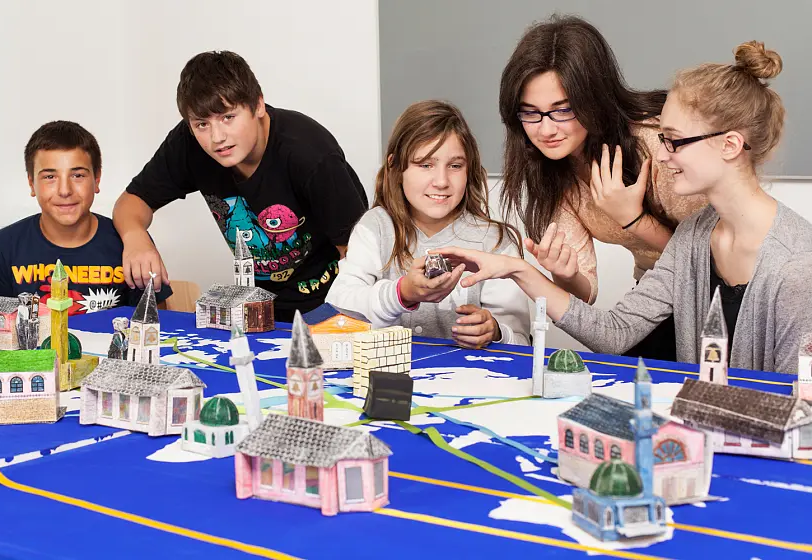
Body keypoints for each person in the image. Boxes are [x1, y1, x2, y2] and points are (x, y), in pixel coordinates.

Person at [438, 41, 812, 374]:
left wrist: (633, 219)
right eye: (662, 138)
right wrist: (518, 270)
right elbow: (616, 333)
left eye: (673, 141)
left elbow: (799, 403)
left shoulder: (796, 264)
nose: (660, 155)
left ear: (730, 145)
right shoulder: (693, 237)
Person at [498, 14, 709, 360]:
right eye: (531, 113)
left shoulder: (655, 144)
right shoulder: (552, 169)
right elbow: (584, 295)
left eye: (562, 110)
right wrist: (564, 274)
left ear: (592, 99)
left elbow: (710, 257)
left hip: (715, 291)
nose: (545, 130)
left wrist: (634, 220)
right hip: (655, 292)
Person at [113, 50, 368, 322]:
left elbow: (358, 256)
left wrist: (343, 323)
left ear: (258, 105)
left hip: (329, 307)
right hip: (256, 311)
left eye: (228, 117)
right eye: (202, 124)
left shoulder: (310, 154)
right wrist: (136, 237)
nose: (217, 137)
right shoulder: (188, 145)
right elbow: (131, 202)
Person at [326, 100, 530, 348]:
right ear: (395, 167)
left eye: (455, 166)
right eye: (425, 165)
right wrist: (402, 293)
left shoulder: (494, 241)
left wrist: (495, 332)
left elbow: (520, 341)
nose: (442, 181)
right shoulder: (375, 228)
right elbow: (338, 309)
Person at [0, 121, 171, 315]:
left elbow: (156, 322)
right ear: (31, 184)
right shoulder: (3, 247)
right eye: (50, 177)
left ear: (97, 179)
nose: (65, 190)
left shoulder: (131, 242)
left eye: (77, 175)